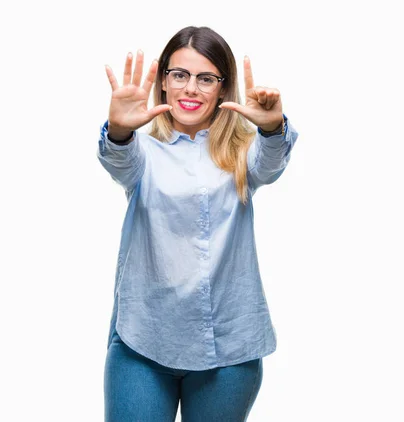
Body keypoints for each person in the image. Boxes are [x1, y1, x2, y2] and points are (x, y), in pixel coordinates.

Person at [97, 26, 298, 422]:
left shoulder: (242, 151)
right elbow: (118, 160)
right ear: (165, 83)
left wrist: (272, 128)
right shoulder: (144, 152)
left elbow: (270, 163)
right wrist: (120, 131)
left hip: (229, 348)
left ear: (222, 89)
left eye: (206, 78)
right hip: (144, 343)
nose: (191, 88)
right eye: (180, 75)